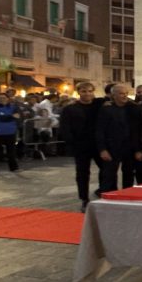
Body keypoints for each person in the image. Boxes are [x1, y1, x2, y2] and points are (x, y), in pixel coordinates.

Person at [59, 82, 104, 210]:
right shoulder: (69, 109)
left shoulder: (99, 105)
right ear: (79, 92)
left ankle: (102, 190)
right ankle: (84, 198)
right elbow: (65, 128)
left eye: (90, 91)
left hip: (98, 145)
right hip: (81, 146)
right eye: (84, 91)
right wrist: (72, 144)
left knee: (105, 169)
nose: (87, 94)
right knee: (82, 173)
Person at [96, 83, 141, 192]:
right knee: (109, 176)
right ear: (113, 95)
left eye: (126, 93)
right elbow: (100, 131)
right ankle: (108, 198)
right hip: (111, 148)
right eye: (121, 94)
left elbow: (137, 130)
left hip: (129, 148)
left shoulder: (133, 108)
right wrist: (102, 149)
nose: (124, 96)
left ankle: (127, 196)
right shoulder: (106, 109)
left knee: (129, 174)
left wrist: (138, 149)